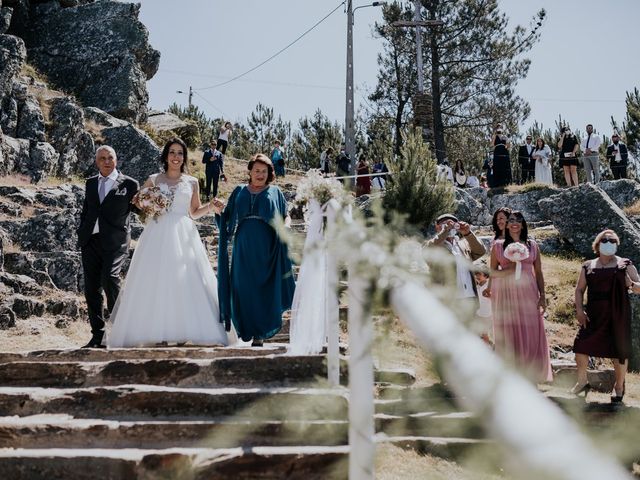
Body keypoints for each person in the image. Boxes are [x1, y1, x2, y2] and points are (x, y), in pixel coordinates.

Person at [107, 138, 232, 348]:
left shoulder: (192, 181)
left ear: (184, 157)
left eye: (180, 153)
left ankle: (183, 329)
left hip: (184, 234)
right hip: (157, 233)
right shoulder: (154, 179)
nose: (176, 157)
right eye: (172, 152)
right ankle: (159, 331)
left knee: (184, 280)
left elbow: (193, 212)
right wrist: (148, 203)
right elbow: (137, 200)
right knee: (157, 279)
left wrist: (211, 206)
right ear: (166, 156)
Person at [217, 154, 296, 346]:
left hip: (267, 247)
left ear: (270, 173)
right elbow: (226, 217)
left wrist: (286, 226)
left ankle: (260, 333)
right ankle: (247, 328)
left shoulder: (276, 192)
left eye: (264, 171)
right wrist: (218, 210)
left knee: (264, 288)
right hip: (242, 247)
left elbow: (286, 216)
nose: (260, 174)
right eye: (257, 170)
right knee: (242, 288)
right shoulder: (239, 190)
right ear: (250, 171)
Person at [77, 146, 139, 348]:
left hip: (116, 242)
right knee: (91, 290)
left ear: (116, 159)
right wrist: (82, 233)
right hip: (90, 242)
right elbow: (87, 210)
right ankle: (98, 336)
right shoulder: (90, 183)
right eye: (102, 158)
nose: (106, 161)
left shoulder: (129, 184)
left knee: (110, 278)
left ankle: (123, 327)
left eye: (110, 157)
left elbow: (140, 210)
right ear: (96, 162)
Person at [572, 229, 640, 403]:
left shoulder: (625, 264)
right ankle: (582, 381)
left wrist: (631, 284)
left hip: (618, 313)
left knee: (619, 352)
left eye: (612, 240)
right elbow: (579, 289)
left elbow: (639, 287)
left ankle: (619, 386)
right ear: (597, 244)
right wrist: (579, 310)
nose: (608, 242)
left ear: (617, 244)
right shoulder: (588, 265)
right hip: (594, 314)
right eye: (605, 240)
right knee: (581, 345)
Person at [486, 210, 553, 382]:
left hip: (528, 292)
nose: (514, 222)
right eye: (511, 220)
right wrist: (494, 283)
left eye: (518, 220)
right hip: (505, 293)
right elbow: (492, 272)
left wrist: (542, 295)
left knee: (530, 331)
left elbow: (538, 272)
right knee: (508, 331)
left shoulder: (532, 245)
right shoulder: (498, 246)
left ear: (523, 224)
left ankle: (531, 373)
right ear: (506, 224)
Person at [429, 214, 486, 300]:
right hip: (449, 300)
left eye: (453, 225)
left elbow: (480, 251)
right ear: (437, 227)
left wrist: (468, 233)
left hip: (470, 297)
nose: (450, 227)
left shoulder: (463, 244)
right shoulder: (433, 245)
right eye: (445, 224)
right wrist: (445, 231)